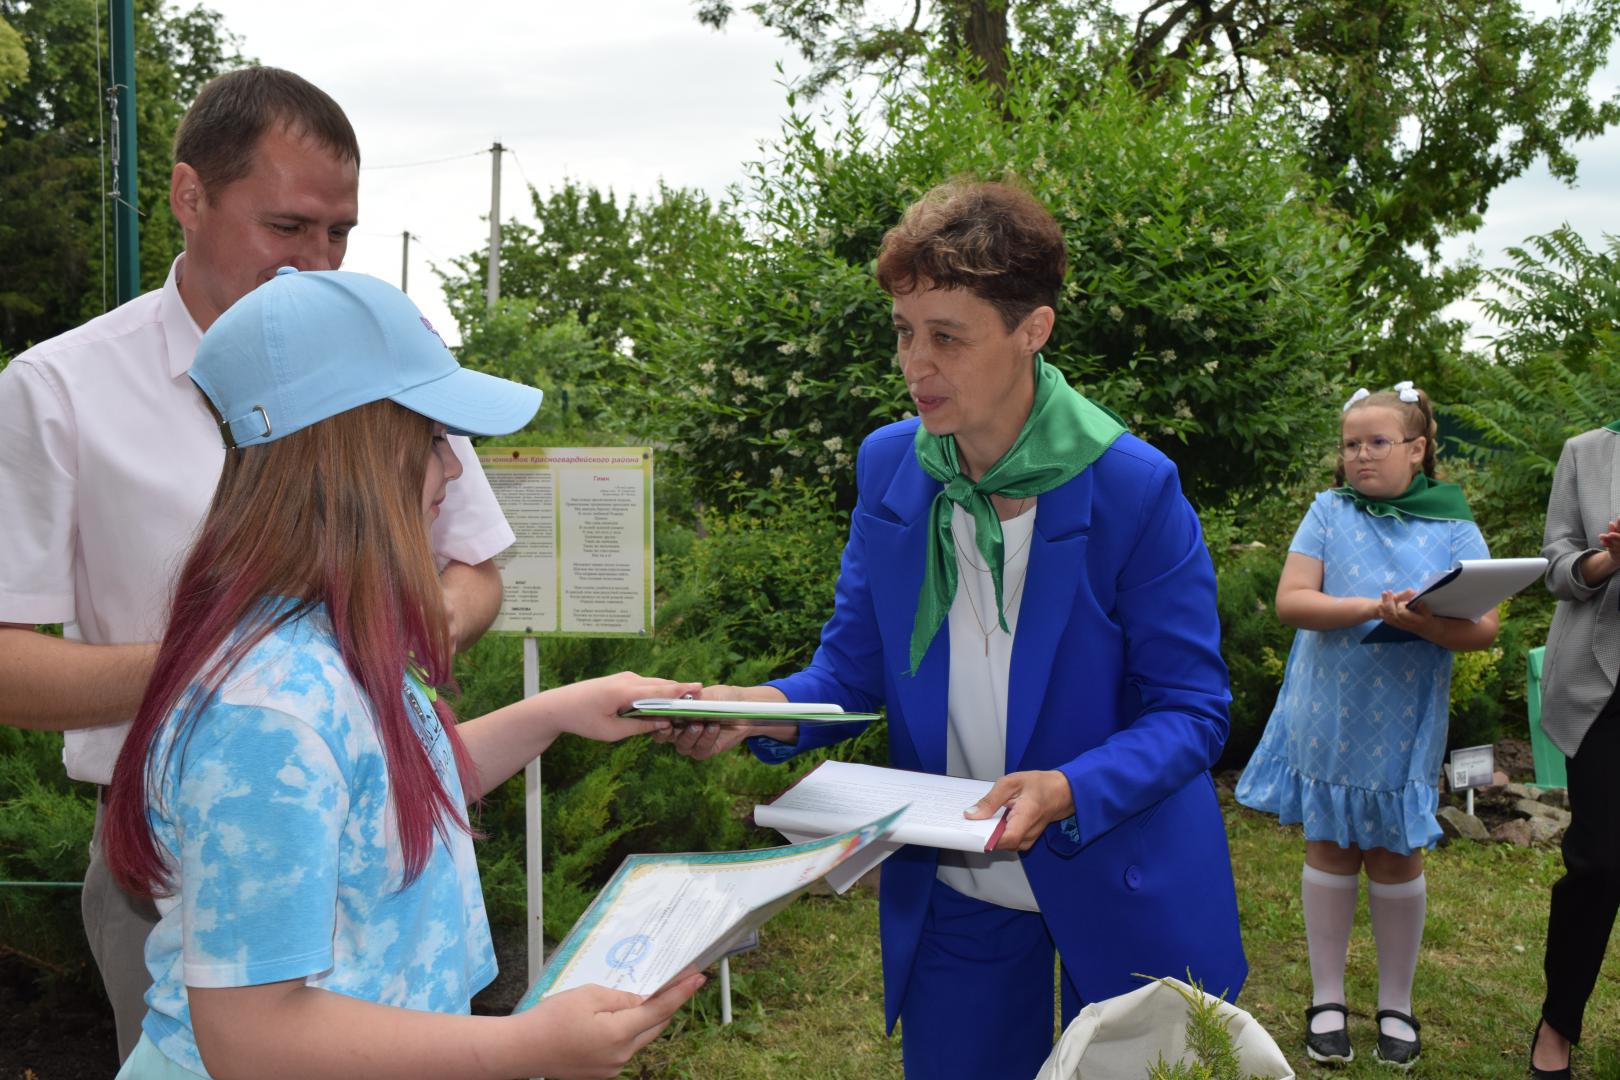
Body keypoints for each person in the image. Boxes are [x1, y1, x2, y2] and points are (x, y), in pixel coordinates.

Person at [657, 179, 1247, 1078]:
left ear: (1032, 331)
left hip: (1122, 877)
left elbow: (1193, 710)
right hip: (957, 881)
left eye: (946, 336)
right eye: (903, 332)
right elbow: (850, 677)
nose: (914, 364)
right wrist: (754, 710)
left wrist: (1065, 789)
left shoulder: (1133, 485)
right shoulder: (893, 466)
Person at [0, 67, 512, 1062]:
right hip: (169, 849)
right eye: (288, 228)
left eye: (340, 234)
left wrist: (383, 650)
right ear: (190, 196)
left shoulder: (368, 359)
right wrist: (237, 673)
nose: (317, 263)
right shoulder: (57, 388)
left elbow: (476, 567)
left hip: (370, 799)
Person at [99, 267, 705, 1080]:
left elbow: (383, 797)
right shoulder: (266, 711)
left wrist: (556, 711)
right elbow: (249, 1035)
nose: (452, 471)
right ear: (351, 459)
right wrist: (529, 1045)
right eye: (431, 441)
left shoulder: (321, 640)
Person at [1235, 383, 1499, 1069]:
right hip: (1328, 709)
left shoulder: (1451, 525)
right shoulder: (1328, 512)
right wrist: (1370, 609)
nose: (1359, 456)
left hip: (1405, 719)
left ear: (1417, 449)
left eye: (1377, 443)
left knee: (1394, 853)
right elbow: (1292, 601)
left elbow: (1485, 627)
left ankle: (1395, 1004)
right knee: (1329, 844)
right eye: (1351, 444)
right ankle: (1327, 1000)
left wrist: (1428, 623)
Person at [1528, 423, 1620, 1079]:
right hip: (1602, 683)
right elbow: (1556, 565)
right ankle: (1558, 1022)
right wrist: (1605, 560)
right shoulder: (1587, 452)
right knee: (1599, 862)